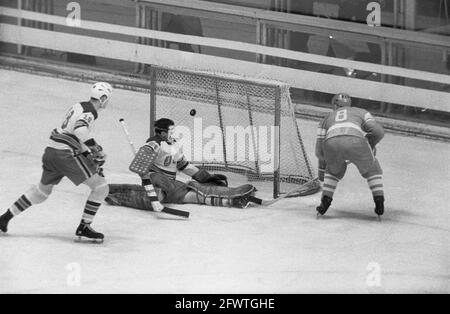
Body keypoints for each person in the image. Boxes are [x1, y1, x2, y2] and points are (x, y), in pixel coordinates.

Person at [0, 82, 113, 242]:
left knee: (41, 193)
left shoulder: (79, 106)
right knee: (101, 187)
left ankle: (4, 218)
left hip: (51, 151)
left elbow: (72, 133)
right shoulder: (90, 112)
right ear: (102, 98)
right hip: (64, 154)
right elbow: (80, 130)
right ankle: (84, 227)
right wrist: (96, 149)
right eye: (107, 99)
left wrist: (88, 155)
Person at [105, 118, 256, 211]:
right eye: (171, 130)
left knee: (196, 193)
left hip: (171, 185)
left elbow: (184, 166)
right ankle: (123, 195)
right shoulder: (154, 143)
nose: (174, 133)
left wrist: (204, 177)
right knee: (170, 186)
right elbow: (141, 161)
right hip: (157, 180)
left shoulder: (174, 145)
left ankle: (233, 199)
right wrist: (143, 160)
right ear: (162, 133)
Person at [315, 93, 385, 218]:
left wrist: (323, 173)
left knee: (333, 172)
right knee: (372, 169)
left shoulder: (325, 119)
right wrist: (370, 144)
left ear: (335, 105)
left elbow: (319, 152)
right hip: (356, 140)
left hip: (331, 143)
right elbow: (378, 132)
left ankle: (324, 203)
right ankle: (379, 202)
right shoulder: (361, 112)